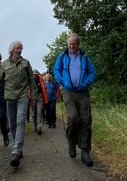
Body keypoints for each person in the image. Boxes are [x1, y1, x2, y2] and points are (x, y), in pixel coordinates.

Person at [0, 40, 37, 168]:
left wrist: (33, 97)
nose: (20, 50)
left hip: (22, 96)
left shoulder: (26, 63)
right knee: (12, 124)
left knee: (21, 121)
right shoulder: (4, 65)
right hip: (9, 97)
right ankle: (18, 148)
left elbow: (32, 81)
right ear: (12, 50)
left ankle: (16, 151)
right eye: (17, 48)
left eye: (21, 48)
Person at [53, 33, 96, 167]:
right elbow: (56, 71)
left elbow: (93, 73)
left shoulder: (85, 57)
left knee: (86, 120)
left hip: (83, 93)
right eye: (70, 44)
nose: (71, 46)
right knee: (73, 117)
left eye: (74, 44)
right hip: (68, 92)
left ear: (78, 44)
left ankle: (85, 151)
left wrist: (85, 83)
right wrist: (63, 82)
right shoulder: (62, 57)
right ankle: (71, 142)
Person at [31, 69, 48, 135]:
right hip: (32, 97)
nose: (35, 75)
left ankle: (39, 128)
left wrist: (45, 98)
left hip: (40, 96)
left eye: (36, 74)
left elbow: (44, 89)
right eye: (34, 74)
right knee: (34, 113)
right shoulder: (30, 80)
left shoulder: (41, 79)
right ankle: (35, 126)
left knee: (40, 112)